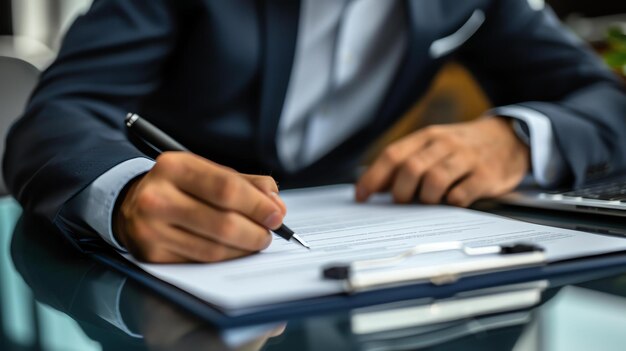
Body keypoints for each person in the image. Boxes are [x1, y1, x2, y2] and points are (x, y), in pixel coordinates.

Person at [4, 0, 626, 263]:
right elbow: (57, 114)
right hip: (162, 285)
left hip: (352, 254)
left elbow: (603, 97)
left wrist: (517, 138)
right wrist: (132, 191)